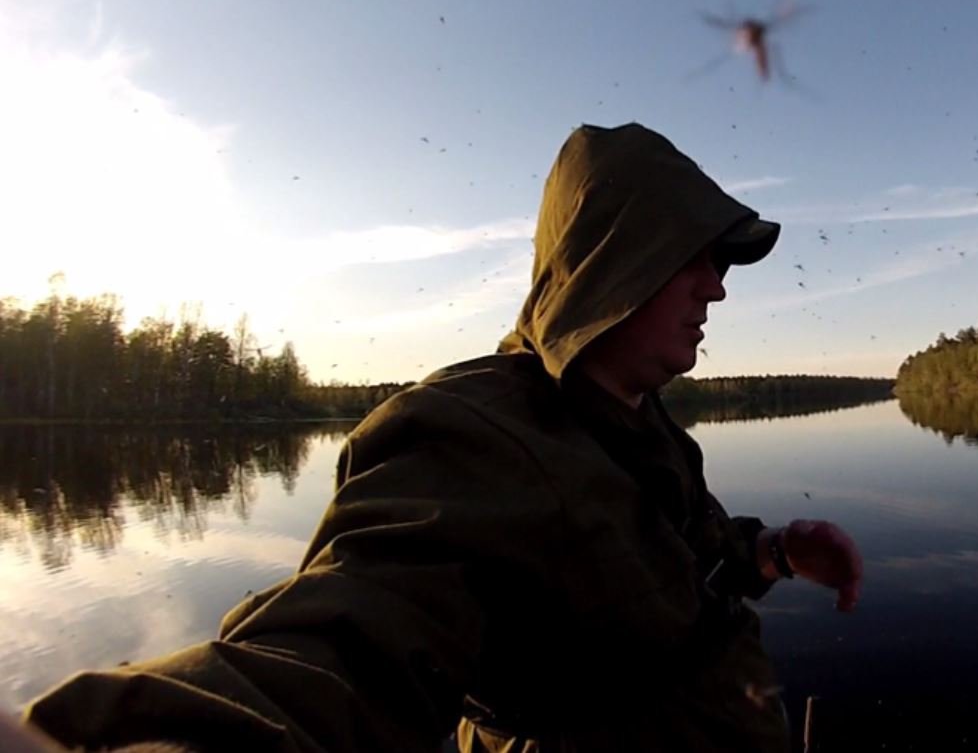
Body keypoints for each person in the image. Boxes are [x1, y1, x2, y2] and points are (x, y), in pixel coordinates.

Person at [14, 123, 864, 752]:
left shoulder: (641, 424)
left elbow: (683, 560)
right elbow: (342, 648)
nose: (718, 287)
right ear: (617, 259)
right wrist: (162, 738)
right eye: (699, 255)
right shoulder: (472, 432)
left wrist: (771, 552)